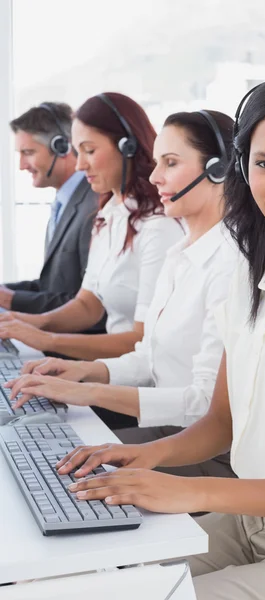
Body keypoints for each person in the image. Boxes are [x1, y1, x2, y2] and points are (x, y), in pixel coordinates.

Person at [31, 75, 265, 599]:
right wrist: (143, 458)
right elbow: (222, 423)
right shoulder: (248, 279)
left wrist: (182, 490)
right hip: (247, 527)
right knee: (93, 579)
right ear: (242, 168)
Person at [9, 110, 238, 477]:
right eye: (158, 161)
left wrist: (88, 392)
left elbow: (204, 404)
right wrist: (80, 372)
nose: (154, 175)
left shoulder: (231, 265)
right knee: (36, 460)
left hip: (205, 452)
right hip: (167, 431)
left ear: (218, 169)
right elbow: (148, 358)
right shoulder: (180, 253)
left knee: (58, 477)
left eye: (171, 163)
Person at [0, 93, 183, 361]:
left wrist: (45, 338)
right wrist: (21, 321)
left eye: (89, 150)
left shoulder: (158, 226)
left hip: (137, 383)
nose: (79, 164)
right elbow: (88, 304)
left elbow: (143, 341)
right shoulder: (108, 215)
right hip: (112, 373)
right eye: (78, 151)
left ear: (127, 147)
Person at [1, 103, 102, 332]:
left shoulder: (94, 207)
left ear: (62, 147)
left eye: (28, 153)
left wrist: (10, 300)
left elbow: (89, 305)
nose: (21, 166)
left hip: (78, 354)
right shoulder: (64, 203)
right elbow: (51, 287)